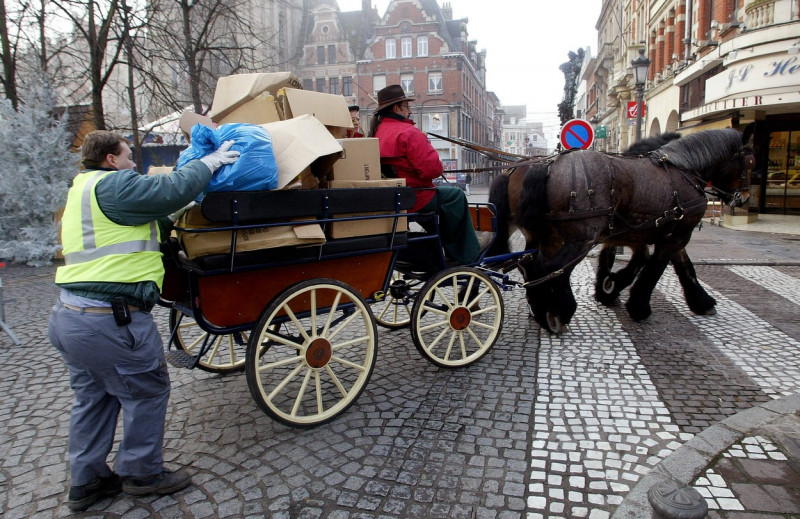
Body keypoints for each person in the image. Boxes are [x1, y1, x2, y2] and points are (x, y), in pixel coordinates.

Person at [48, 130, 239, 512]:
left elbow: (146, 223)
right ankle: (141, 473)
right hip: (110, 319)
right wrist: (208, 163)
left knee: (93, 398)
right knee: (146, 390)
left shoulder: (82, 189)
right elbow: (171, 190)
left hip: (70, 316)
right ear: (110, 160)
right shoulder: (115, 185)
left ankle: (86, 481)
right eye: (127, 156)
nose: (134, 164)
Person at [369, 84, 487, 264]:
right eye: (407, 106)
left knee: (444, 197)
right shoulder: (409, 133)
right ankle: (466, 252)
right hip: (416, 196)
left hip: (395, 197)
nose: (409, 110)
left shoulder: (377, 133)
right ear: (396, 108)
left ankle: (443, 241)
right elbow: (432, 170)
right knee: (456, 196)